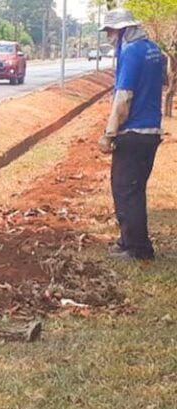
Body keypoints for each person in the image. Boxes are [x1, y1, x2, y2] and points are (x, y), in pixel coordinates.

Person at [98, 8, 163, 261]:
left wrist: (109, 134)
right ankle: (127, 241)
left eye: (112, 32)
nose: (110, 37)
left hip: (134, 132)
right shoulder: (153, 49)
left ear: (124, 30)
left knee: (126, 190)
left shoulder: (131, 52)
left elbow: (123, 97)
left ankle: (137, 249)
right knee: (134, 189)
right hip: (151, 131)